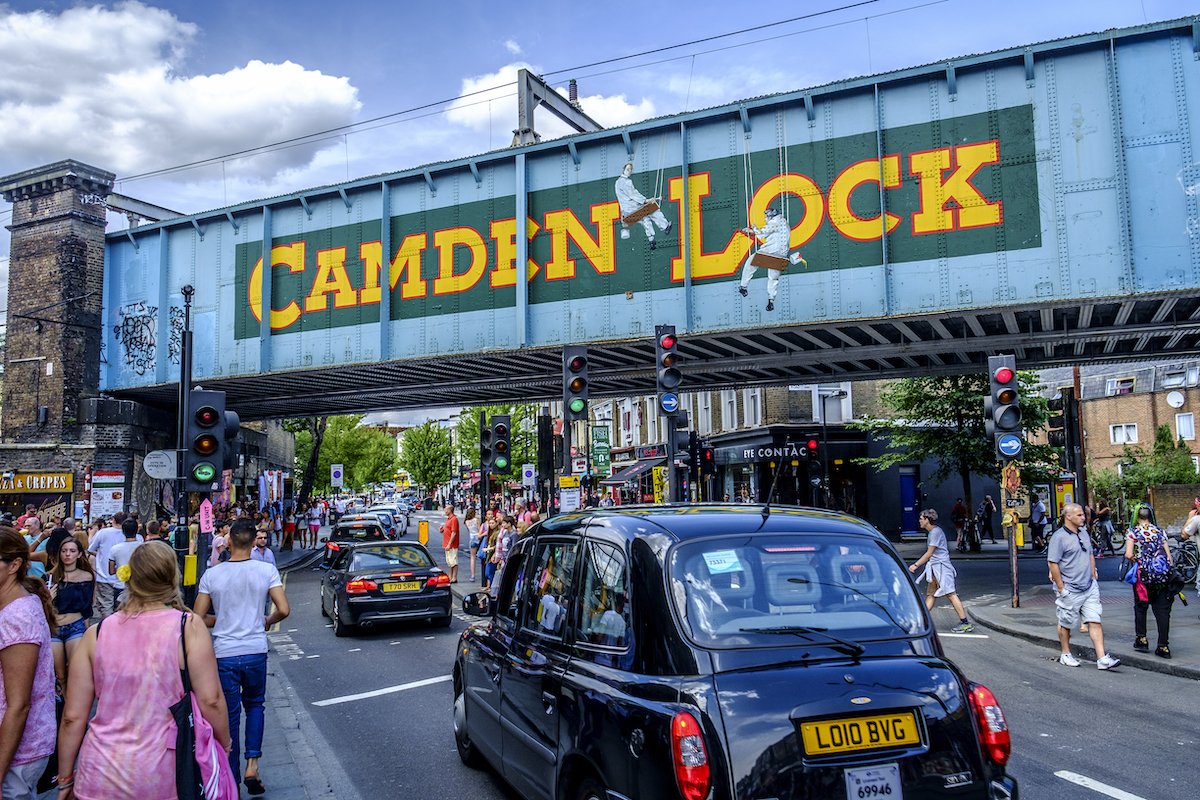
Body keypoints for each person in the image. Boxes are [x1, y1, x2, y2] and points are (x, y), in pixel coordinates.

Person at [55, 541, 232, 799]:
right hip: (162, 775)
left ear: (130, 578)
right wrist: (224, 743)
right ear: (172, 577)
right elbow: (211, 700)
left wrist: (65, 778)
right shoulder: (188, 628)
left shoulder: (96, 633)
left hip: (99, 773)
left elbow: (72, 717)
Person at [193, 519, 290, 795]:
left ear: (230, 542)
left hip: (225, 653)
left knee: (230, 714)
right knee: (256, 705)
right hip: (255, 650)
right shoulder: (266, 570)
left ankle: (231, 777)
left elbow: (197, 616)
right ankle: (252, 766)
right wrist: (267, 620)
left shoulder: (212, 574)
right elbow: (283, 609)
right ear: (253, 542)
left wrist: (222, 620)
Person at [0, 527, 56, 800]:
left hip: (16, 755)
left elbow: (19, 705)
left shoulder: (18, 617)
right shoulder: (18, 603)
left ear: (14, 565)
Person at [1048, 503, 1120, 669]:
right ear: (1068, 517)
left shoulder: (1084, 532)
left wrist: (1093, 572)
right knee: (1066, 622)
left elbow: (1090, 554)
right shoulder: (1059, 537)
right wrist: (1061, 587)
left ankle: (1102, 658)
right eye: (1079, 515)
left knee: (1095, 620)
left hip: (1089, 586)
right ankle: (1066, 654)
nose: (1083, 518)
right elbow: (1052, 562)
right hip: (1070, 587)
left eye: (1083, 515)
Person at [908, 509, 973, 633]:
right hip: (935, 569)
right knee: (931, 595)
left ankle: (965, 623)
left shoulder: (935, 533)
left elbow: (929, 553)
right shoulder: (933, 532)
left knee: (951, 594)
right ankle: (921, 621)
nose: (919, 521)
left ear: (927, 520)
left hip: (942, 569)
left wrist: (916, 565)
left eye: (921, 519)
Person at [1124, 506, 1174, 658]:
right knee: (1162, 611)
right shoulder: (1160, 532)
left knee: (1141, 607)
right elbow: (1169, 557)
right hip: (1161, 576)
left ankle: (1142, 639)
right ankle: (1163, 646)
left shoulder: (1133, 532)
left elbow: (1128, 554)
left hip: (1143, 577)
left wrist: (1137, 559)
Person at [49, 536, 94, 695]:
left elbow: (86, 608)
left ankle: (72, 705)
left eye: (72, 551)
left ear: (79, 554)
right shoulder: (50, 577)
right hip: (54, 628)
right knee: (60, 675)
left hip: (75, 626)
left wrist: (88, 634)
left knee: (75, 671)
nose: (67, 554)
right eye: (64, 551)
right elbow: (40, 609)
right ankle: (64, 705)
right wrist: (47, 599)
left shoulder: (87, 577)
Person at [737, 205, 791, 311]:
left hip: (771, 252)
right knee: (773, 278)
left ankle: (743, 286)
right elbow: (771, 232)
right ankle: (771, 300)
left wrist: (754, 227)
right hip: (782, 255)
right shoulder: (784, 223)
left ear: (771, 217)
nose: (765, 219)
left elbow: (762, 235)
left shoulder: (775, 222)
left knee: (751, 262)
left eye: (766, 217)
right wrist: (752, 231)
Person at [87, 512, 135, 621]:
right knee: (124, 606)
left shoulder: (103, 533)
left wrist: (100, 554)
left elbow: (90, 549)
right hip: (126, 577)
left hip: (104, 575)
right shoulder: (134, 537)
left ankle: (107, 627)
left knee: (106, 607)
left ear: (113, 520)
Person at [614, 162, 672, 249]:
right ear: (623, 170)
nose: (629, 171)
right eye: (627, 169)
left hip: (626, 213)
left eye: (630, 170)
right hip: (632, 209)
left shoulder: (617, 182)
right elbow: (633, 194)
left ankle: (651, 240)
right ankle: (665, 226)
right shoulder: (626, 182)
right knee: (653, 207)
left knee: (645, 218)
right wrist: (646, 200)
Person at [107, 519, 142, 611]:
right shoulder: (143, 547)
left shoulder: (115, 549)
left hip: (120, 585)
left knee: (119, 614)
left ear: (123, 531)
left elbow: (111, 571)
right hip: (139, 586)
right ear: (137, 530)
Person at [439, 504, 460, 584]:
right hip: (447, 543)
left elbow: (454, 532)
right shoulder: (449, 519)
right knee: (449, 562)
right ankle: (450, 576)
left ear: (450, 510)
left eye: (446, 510)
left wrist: (449, 544)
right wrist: (443, 530)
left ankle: (454, 577)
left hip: (452, 545)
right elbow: (449, 530)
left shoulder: (454, 519)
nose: (445, 511)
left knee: (453, 561)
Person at [464, 508, 480, 582]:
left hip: (472, 537)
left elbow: (469, 531)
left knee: (472, 557)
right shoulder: (476, 520)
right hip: (477, 536)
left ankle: (472, 575)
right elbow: (479, 529)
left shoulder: (466, 521)